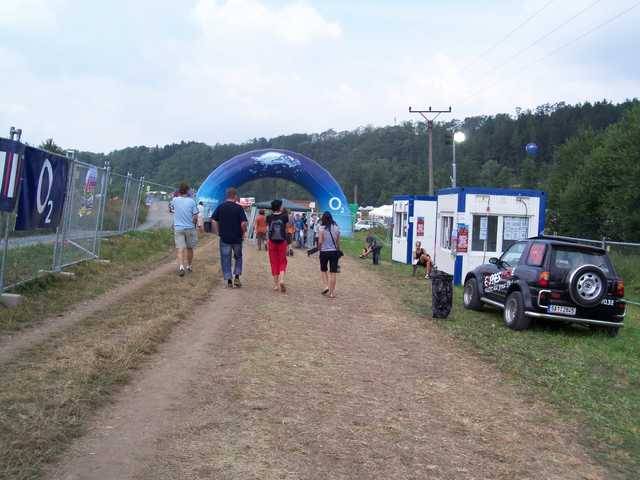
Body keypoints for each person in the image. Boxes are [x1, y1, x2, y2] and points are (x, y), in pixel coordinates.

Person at [211, 187, 248, 288]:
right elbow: (243, 223)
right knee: (238, 257)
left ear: (227, 195)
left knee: (225, 258)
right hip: (237, 238)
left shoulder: (221, 207)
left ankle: (229, 281)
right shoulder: (239, 208)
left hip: (224, 238)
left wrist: (217, 232)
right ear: (235, 196)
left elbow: (213, 220)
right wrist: (244, 232)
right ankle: (237, 277)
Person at [170, 183, 198, 277]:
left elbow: (171, 209)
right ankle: (189, 266)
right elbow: (195, 215)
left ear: (179, 191)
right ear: (187, 191)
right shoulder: (192, 201)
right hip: (189, 227)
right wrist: (194, 222)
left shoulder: (174, 200)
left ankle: (181, 267)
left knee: (180, 248)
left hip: (178, 228)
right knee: (190, 248)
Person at [267, 199, 289, 293]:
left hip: (272, 242)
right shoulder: (285, 216)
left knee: (274, 262)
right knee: (282, 261)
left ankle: (276, 285)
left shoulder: (269, 217)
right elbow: (287, 229)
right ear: (279, 207)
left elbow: (269, 230)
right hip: (282, 242)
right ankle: (282, 280)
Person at [318, 211, 341, 299]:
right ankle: (331, 293)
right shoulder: (336, 228)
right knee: (333, 272)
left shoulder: (321, 228)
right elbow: (338, 243)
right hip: (334, 252)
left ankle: (326, 286)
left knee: (323, 270)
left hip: (324, 252)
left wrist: (319, 248)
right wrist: (338, 251)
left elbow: (320, 241)